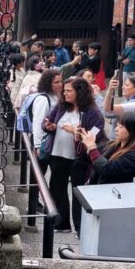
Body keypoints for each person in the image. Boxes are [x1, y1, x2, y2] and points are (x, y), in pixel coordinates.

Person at [43, 77, 106, 234]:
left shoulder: (94, 113)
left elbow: (95, 136)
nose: (65, 93)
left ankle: (80, 228)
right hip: (57, 154)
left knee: (78, 192)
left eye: (69, 90)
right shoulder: (61, 106)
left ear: (80, 92)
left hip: (80, 159)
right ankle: (62, 224)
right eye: (64, 90)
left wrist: (75, 132)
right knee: (57, 189)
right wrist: (49, 126)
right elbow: (48, 122)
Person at [80, 111, 135, 184]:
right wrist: (83, 139)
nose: (116, 129)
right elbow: (95, 158)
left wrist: (92, 147)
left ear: (134, 131)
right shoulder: (114, 144)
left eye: (121, 127)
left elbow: (107, 169)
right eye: (117, 125)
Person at [29, 69, 62, 172]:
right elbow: (38, 123)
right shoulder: (43, 99)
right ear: (48, 83)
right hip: (43, 141)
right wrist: (37, 146)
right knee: (39, 174)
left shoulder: (57, 96)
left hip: (53, 140)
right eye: (56, 82)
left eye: (61, 81)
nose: (60, 84)